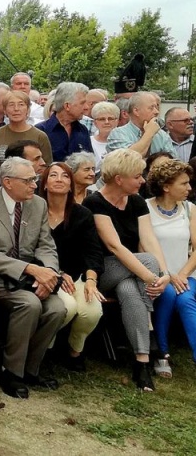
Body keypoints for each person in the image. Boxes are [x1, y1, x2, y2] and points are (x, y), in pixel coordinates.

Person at [0, 157, 67, 399]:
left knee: (57, 307)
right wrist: (30, 270)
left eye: (35, 179)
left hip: (32, 278)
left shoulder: (38, 205)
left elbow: (46, 246)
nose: (34, 185)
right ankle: (11, 372)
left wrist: (49, 274)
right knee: (29, 304)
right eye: (28, 181)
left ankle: (30, 370)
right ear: (7, 182)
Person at [83, 149, 171, 391]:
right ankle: (150, 333)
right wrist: (154, 278)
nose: (142, 180)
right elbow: (115, 247)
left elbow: (149, 239)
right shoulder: (95, 202)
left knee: (130, 291)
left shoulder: (136, 201)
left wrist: (165, 274)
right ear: (119, 179)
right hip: (103, 271)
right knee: (146, 261)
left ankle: (141, 362)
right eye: (137, 176)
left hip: (132, 273)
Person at [38, 162, 104, 372]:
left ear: (71, 184)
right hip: (46, 275)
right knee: (67, 308)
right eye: (53, 175)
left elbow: (93, 252)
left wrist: (91, 281)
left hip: (77, 276)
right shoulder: (34, 210)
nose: (59, 179)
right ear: (45, 183)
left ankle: (74, 351)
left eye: (65, 176)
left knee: (91, 311)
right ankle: (44, 351)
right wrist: (58, 274)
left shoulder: (82, 214)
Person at [145, 159, 196, 379]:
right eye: (184, 184)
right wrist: (168, 275)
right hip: (157, 274)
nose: (189, 188)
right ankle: (162, 353)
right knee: (166, 294)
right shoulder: (145, 207)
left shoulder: (190, 209)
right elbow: (144, 247)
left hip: (186, 275)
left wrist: (182, 274)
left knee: (185, 300)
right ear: (166, 186)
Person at [0, 90, 53, 184]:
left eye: (21, 104)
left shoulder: (40, 136)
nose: (16, 109)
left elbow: (46, 168)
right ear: (5, 110)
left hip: (32, 188)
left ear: (28, 109)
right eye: (11, 105)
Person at [35, 82, 93, 162]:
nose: (86, 107)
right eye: (82, 103)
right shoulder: (40, 131)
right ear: (67, 106)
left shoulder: (83, 130)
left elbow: (89, 162)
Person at [107, 92, 175, 159]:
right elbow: (129, 160)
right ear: (136, 111)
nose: (156, 112)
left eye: (156, 107)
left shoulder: (162, 135)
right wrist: (149, 133)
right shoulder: (118, 134)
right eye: (151, 108)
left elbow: (173, 164)